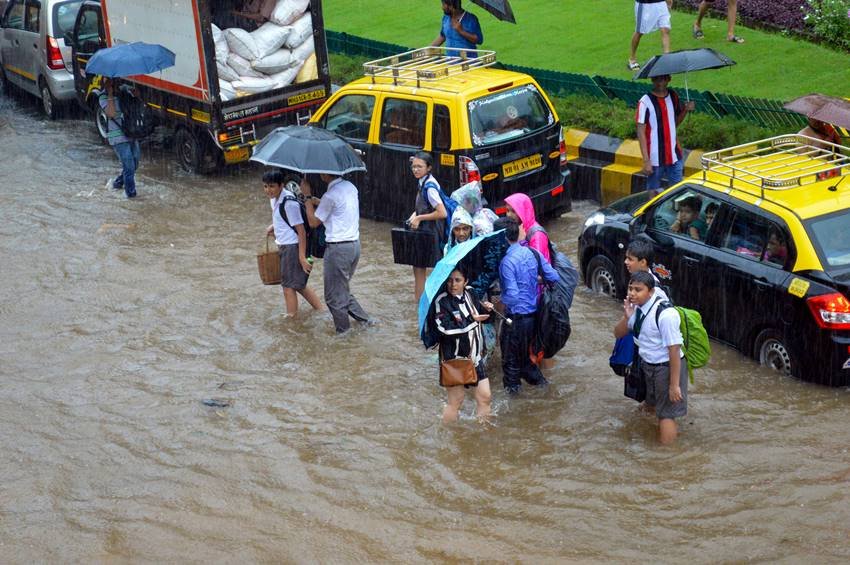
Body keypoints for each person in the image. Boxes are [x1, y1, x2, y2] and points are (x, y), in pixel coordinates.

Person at [614, 271, 687, 445]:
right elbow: (618, 333)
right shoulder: (637, 309)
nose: (632, 293)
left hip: (666, 367)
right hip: (648, 364)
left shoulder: (666, 314)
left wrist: (674, 385)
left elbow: (674, 350)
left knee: (666, 415)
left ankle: (666, 460)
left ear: (651, 291)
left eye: (638, 290)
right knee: (651, 406)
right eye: (630, 289)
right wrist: (627, 316)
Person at [302, 174, 371, 334]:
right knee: (341, 289)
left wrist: (306, 197)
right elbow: (339, 208)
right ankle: (366, 322)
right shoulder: (350, 187)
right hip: (354, 246)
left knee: (333, 297)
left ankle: (344, 334)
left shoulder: (330, 195)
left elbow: (313, 222)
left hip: (338, 249)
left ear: (326, 173)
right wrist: (317, 201)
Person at [498, 217, 559, 394]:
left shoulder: (506, 262)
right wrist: (533, 280)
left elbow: (513, 296)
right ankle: (546, 390)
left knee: (510, 364)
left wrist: (498, 301)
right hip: (534, 319)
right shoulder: (532, 253)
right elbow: (553, 277)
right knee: (525, 360)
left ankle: (513, 406)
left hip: (515, 320)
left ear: (501, 238)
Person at [433, 266, 493, 423]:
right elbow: (444, 329)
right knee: (456, 401)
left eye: (458, 280)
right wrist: (473, 321)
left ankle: (483, 433)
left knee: (485, 396)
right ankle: (448, 434)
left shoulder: (471, 293)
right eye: (450, 280)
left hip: (475, 356)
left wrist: (486, 307)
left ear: (466, 281)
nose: (453, 284)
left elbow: (478, 312)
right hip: (454, 360)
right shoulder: (441, 301)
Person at [262, 170, 324, 317]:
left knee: (288, 287)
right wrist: (274, 226)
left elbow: (301, 230)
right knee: (299, 285)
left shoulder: (289, 203)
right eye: (265, 186)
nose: (268, 190)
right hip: (285, 245)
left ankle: (291, 318)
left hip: (292, 247)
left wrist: (302, 257)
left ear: (281, 185)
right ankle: (321, 311)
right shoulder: (275, 199)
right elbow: (283, 218)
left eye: (271, 186)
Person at [636, 74, 695, 191]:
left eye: (663, 79)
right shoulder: (645, 102)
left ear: (668, 80)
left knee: (677, 190)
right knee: (653, 191)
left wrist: (685, 111)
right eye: (656, 79)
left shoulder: (673, 96)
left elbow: (674, 123)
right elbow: (640, 131)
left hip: (674, 154)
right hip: (655, 157)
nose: (660, 82)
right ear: (652, 81)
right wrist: (646, 160)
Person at [407, 151, 448, 302]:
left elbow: (442, 212)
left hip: (429, 232)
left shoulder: (429, 187)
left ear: (429, 167)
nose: (415, 170)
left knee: (419, 269)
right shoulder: (426, 181)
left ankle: (421, 306)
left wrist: (419, 217)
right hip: (430, 231)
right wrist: (415, 214)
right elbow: (427, 206)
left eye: (419, 167)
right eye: (413, 166)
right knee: (428, 269)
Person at [99, 78, 140, 199]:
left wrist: (135, 94)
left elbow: (135, 105)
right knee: (129, 166)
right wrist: (110, 94)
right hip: (118, 136)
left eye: (112, 80)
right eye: (107, 80)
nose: (111, 82)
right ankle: (131, 194)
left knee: (135, 163)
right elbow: (111, 114)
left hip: (131, 132)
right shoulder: (102, 97)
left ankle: (118, 183)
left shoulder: (124, 90)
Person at [504, 192, 550, 263]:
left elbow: (538, 263)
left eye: (513, 211)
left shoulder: (537, 235)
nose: (509, 215)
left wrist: (521, 242)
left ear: (523, 211)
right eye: (507, 211)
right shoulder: (516, 229)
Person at [628, 0, 672, 71]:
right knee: (639, 32)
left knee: (665, 29)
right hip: (644, 5)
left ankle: (667, 58)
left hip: (661, 3)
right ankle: (632, 59)